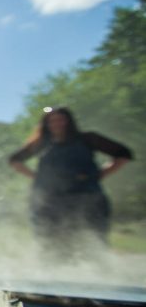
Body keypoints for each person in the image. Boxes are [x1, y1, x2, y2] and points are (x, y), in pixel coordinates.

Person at [8, 106, 133, 253]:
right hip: (49, 201)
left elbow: (124, 154)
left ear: (69, 121)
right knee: (50, 244)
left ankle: (95, 272)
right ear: (46, 124)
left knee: (91, 243)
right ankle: (54, 273)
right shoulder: (41, 143)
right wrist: (37, 177)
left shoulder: (88, 139)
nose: (56, 124)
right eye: (51, 121)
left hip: (87, 198)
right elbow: (15, 160)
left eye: (60, 120)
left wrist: (100, 174)